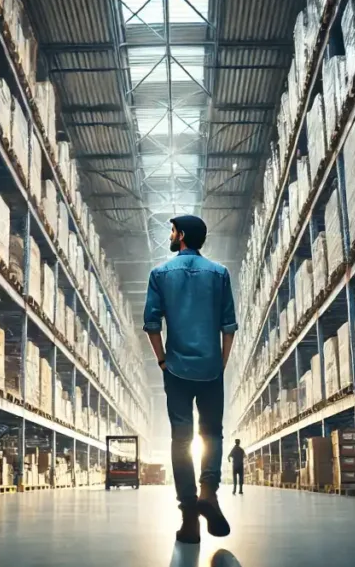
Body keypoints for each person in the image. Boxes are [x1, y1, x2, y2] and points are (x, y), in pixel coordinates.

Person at [144, 215, 237, 545]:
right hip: (211, 368)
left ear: (181, 236)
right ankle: (208, 492)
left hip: (177, 370)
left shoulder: (160, 274)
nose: (171, 235)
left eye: (172, 230)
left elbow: (152, 324)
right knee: (212, 433)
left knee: (181, 439)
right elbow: (229, 326)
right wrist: (222, 362)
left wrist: (162, 360)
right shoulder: (219, 274)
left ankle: (189, 520)